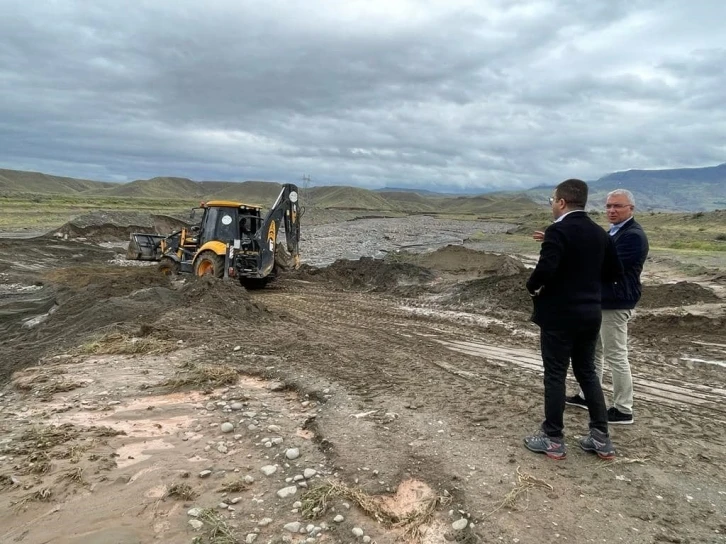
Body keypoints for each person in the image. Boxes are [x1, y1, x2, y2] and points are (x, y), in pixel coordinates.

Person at [524, 179, 622, 460]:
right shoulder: (600, 233)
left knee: (555, 374)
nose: (552, 205)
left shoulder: (557, 231)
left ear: (562, 202)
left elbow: (545, 269)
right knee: (587, 372)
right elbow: (615, 271)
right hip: (590, 314)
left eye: (553, 200)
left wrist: (532, 286)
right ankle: (601, 438)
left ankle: (553, 438)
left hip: (559, 316)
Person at [566, 189, 649, 425]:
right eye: (609, 206)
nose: (611, 210)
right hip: (604, 300)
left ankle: (623, 409)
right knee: (595, 352)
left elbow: (606, 266)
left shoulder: (632, 236)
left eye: (618, 206)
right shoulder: (615, 232)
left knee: (616, 355)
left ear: (630, 209)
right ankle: (587, 395)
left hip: (616, 302)